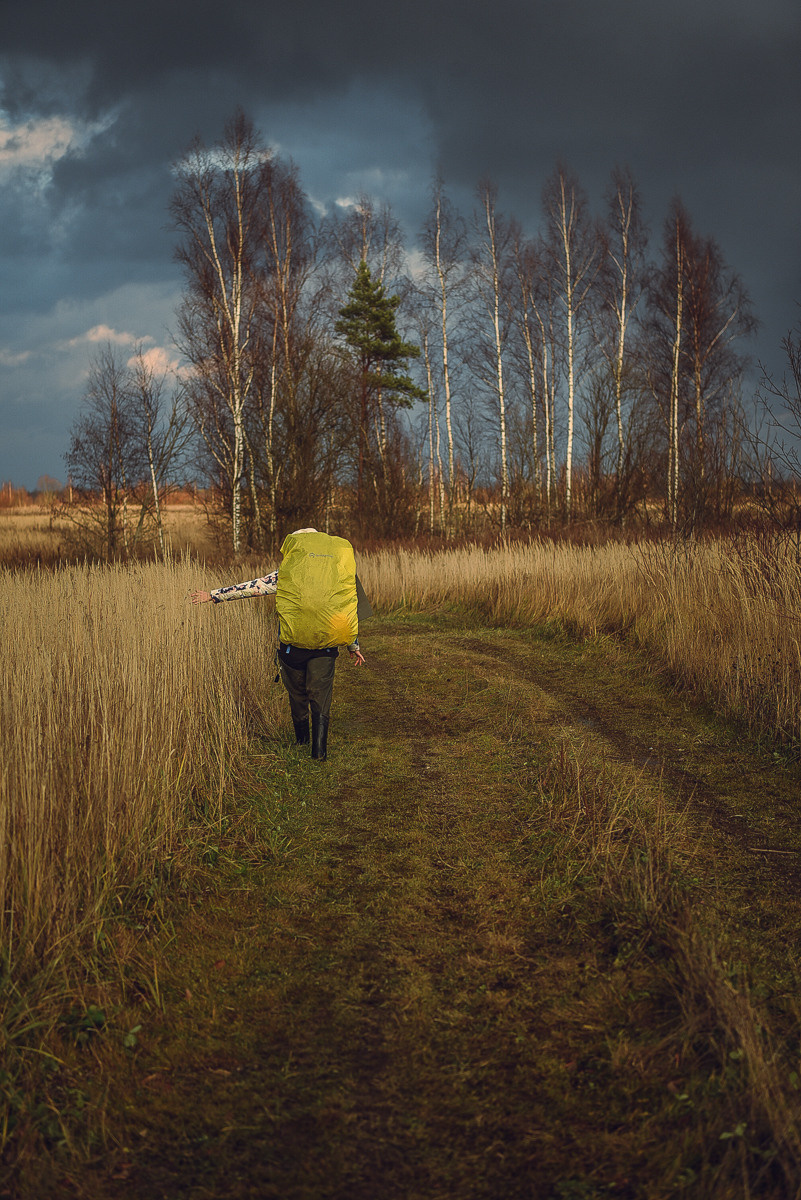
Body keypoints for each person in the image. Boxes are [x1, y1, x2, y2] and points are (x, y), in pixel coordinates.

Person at [190, 528, 366, 762]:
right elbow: (345, 612)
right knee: (320, 695)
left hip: (291, 649)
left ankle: (301, 741)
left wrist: (214, 595)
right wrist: (353, 645)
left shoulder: (287, 572)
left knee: (298, 695)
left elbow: (252, 587)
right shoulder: (337, 572)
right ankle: (319, 752)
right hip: (325, 648)